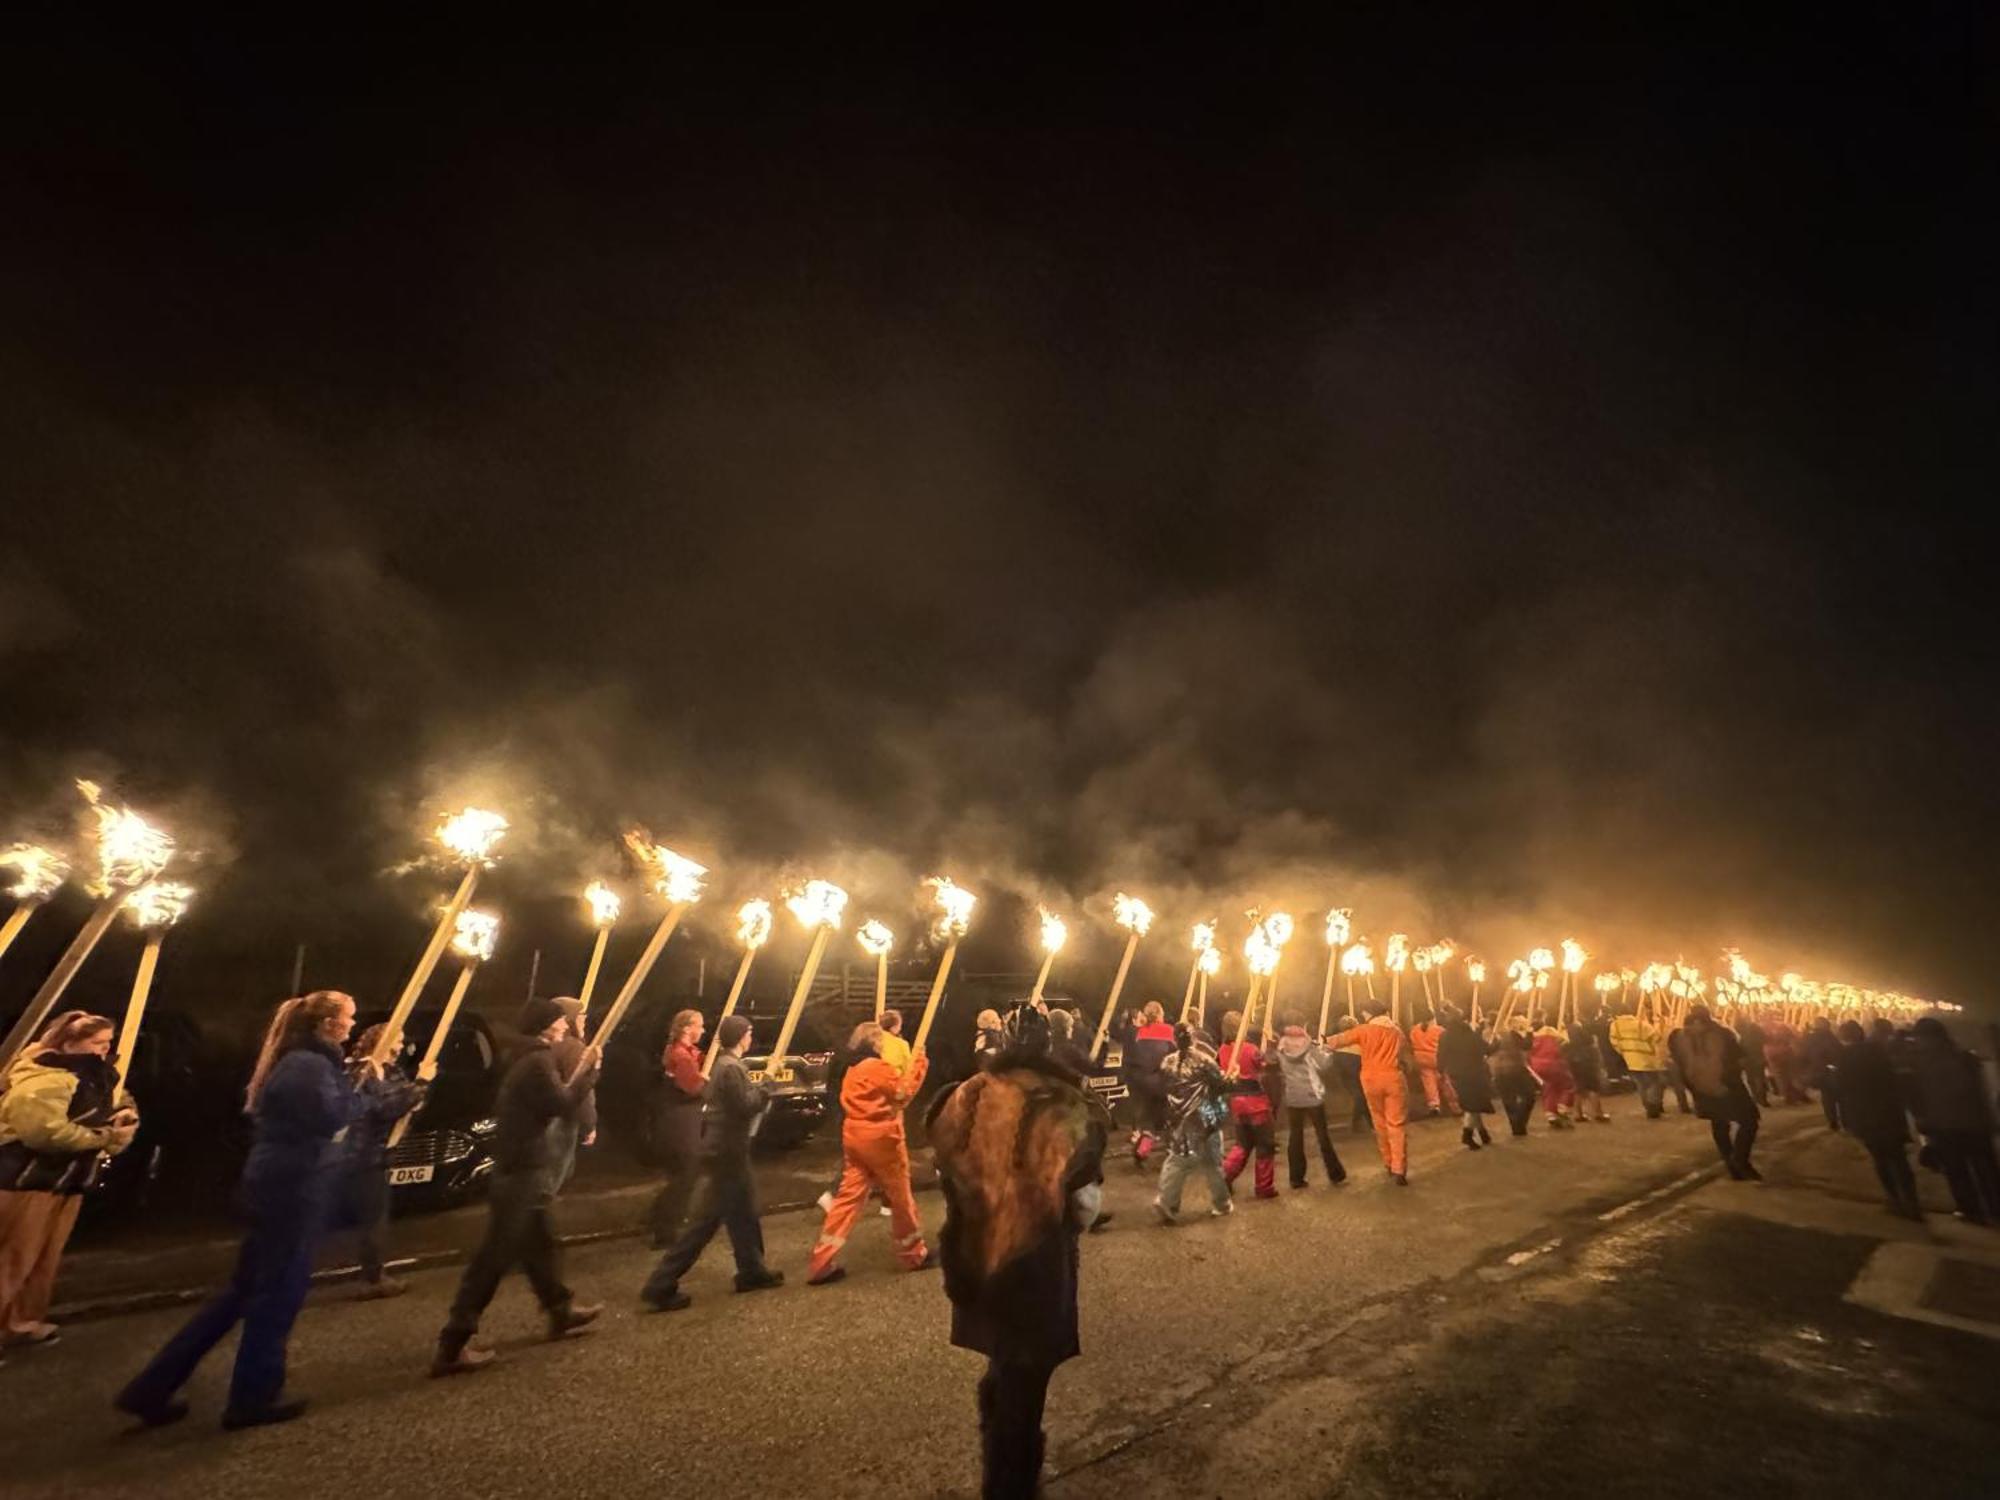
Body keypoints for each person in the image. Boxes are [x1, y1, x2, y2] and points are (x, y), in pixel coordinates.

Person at [116, 991, 361, 1429]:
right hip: (293, 1188)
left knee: (242, 1293)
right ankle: (251, 1396)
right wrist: (372, 1090)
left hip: (279, 1183)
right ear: (327, 1024)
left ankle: (152, 1386)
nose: (352, 1026)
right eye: (348, 1018)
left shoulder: (307, 1062)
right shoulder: (307, 1064)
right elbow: (332, 1117)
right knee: (277, 1294)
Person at [929, 1005, 1105, 1500]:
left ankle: (998, 1425)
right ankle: (1009, 1484)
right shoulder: (1065, 1106)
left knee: (1006, 1357)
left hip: (972, 1248)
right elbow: (1084, 1192)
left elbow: (946, 1163)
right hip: (1034, 1262)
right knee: (1025, 1377)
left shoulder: (967, 1093)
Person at [431, 997, 602, 1375]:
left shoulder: (526, 1057)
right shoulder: (538, 1061)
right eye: (560, 1022)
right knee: (494, 1256)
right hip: (520, 1169)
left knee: (540, 1243)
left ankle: (560, 1310)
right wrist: (589, 1072)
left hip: (522, 1165)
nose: (564, 1027)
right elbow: (559, 1103)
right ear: (548, 1026)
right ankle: (454, 1340)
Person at [0, 1012, 138, 1347]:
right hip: (27, 1179)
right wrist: (102, 1136)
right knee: (14, 1258)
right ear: (69, 1043)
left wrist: (122, 1121)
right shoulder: (45, 1078)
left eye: (108, 1042)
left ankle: (21, 1321)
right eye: (97, 1042)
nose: (104, 1049)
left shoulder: (96, 1077)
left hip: (65, 1179)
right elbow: (44, 1132)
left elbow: (114, 1105)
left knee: (41, 1258)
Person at [641, 1014, 784, 1309]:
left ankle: (752, 1270)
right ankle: (660, 1283)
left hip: (727, 1150)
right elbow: (745, 1106)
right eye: (748, 1032)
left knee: (743, 1213)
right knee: (704, 1224)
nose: (750, 1036)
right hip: (727, 1152)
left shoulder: (725, 1065)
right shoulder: (730, 1068)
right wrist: (767, 1086)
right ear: (741, 1036)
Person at [807, 1021, 934, 1284]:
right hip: (882, 1137)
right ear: (875, 1043)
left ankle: (821, 1261)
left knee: (847, 1199)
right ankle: (914, 1253)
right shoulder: (878, 1068)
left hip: (854, 1135)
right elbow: (903, 1094)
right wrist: (920, 1064)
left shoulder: (852, 1069)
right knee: (901, 1198)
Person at [329, 1022, 424, 1297]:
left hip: (377, 1154)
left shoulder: (389, 1072)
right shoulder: (359, 1072)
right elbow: (386, 1106)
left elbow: (405, 1099)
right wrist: (420, 1085)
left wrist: (417, 1092)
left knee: (374, 1216)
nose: (400, 1047)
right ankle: (372, 1279)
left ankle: (373, 1273)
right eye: (396, 1041)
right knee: (370, 1218)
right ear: (378, 1043)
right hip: (358, 1154)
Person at [1906, 1016, 2000, 1225]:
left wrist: (1926, 1122)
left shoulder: (1923, 1063)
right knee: (1985, 1170)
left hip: (1947, 1125)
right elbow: (1981, 1091)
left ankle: (1971, 1210)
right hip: (1974, 1123)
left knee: (1958, 1171)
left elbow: (1926, 1096)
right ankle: (1994, 1209)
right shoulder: (1965, 1058)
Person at [1832, 1021, 1921, 1220]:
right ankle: (1912, 1202)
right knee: (1899, 1159)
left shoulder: (1845, 1057)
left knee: (1881, 1159)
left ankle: (1894, 1199)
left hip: (1864, 1114)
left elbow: (1840, 1085)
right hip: (1888, 1111)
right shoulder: (1879, 1052)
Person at [1152, 1023, 1232, 1222]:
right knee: (1211, 1161)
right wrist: (1233, 1077)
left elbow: (1164, 1087)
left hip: (1179, 1117)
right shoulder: (1203, 1061)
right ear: (1193, 1038)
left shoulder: (1166, 1062)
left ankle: (1168, 1200)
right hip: (1204, 1116)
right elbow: (1221, 1085)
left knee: (1177, 1159)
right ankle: (1220, 1204)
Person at [1328, 1000, 1412, 1184]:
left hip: (1370, 1079)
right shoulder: (1397, 1032)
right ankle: (1399, 1168)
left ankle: (1388, 1162)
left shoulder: (1364, 1030)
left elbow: (1339, 1040)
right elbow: (1403, 1048)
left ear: (1369, 1013)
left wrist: (1324, 1041)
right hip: (1393, 1078)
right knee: (1396, 1124)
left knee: (1379, 1122)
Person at [1675, 1005, 1760, 1180]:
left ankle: (1731, 1163)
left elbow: (1679, 1064)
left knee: (1719, 1124)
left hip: (1700, 1088)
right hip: (1727, 1086)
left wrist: (1691, 1085)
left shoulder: (1679, 1037)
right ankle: (1739, 1159)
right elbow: (1740, 1058)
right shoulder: (1723, 1034)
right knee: (1750, 1120)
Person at [650, 1008, 707, 1244]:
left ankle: (664, 1217)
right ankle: (664, 1224)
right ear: (686, 1028)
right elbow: (693, 1087)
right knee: (686, 1172)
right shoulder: (680, 1056)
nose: (702, 1030)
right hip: (680, 1122)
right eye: (699, 1025)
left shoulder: (687, 1053)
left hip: (683, 1120)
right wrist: (705, 1081)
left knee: (683, 1174)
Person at [1271, 1018, 1345, 1187]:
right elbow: (1323, 1064)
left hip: (1293, 1095)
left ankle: (1296, 1178)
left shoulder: (1281, 1044)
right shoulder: (1308, 1044)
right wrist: (1327, 1050)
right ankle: (1335, 1173)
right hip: (1312, 1094)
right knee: (1322, 1135)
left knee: (1295, 1136)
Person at [1216, 1011, 1278, 1198]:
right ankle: (1264, 1186)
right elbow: (1268, 1063)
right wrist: (1271, 1044)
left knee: (1242, 1144)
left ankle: (1224, 1174)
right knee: (1265, 1145)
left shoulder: (1223, 1050)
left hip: (1237, 1101)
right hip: (1256, 1103)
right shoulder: (1249, 1049)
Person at [546, 997, 597, 1191]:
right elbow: (581, 1087)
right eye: (581, 1015)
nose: (584, 1019)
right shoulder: (572, 1047)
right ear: (569, 1018)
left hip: (544, 1118)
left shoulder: (546, 1043)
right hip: (562, 1120)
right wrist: (589, 1124)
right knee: (551, 1179)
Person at [1121, 1001, 1176, 1164]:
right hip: (1162, 1081)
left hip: (1143, 1082)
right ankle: (1172, 1150)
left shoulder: (1140, 1033)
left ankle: (1142, 1149)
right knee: (1168, 1116)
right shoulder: (1168, 1031)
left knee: (1149, 1118)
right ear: (1160, 1014)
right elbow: (1176, 1055)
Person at [1435, 1005, 1494, 1149]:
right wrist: (1495, 1041)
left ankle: (1482, 1133)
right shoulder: (1470, 1035)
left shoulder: (1445, 1036)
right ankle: (1467, 1135)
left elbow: (1441, 1055)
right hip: (1474, 1074)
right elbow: (1487, 1049)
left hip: (1456, 1074)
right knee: (1472, 1107)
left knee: (1473, 1105)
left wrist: (1441, 1071)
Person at [1609, 1003, 1669, 1120]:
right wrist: (1660, 1026)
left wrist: (1626, 1052)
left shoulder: (1615, 1026)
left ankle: (1648, 1106)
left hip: (1631, 1060)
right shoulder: (1641, 1025)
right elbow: (1657, 1038)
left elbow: (1614, 1042)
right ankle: (1652, 1105)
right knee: (1656, 1083)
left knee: (1641, 1084)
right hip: (1647, 1059)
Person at [1490, 1030, 1542, 1137]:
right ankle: (1519, 1123)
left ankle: (1516, 1126)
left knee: (1509, 1099)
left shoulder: (1496, 1034)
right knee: (1528, 1096)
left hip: (1500, 1070)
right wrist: (1529, 1034)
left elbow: (1489, 1050)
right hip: (1515, 1069)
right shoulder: (1512, 1034)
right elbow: (1526, 1045)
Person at [1407, 1008, 1457, 1118]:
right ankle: (1454, 1105)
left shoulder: (1414, 1030)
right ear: (1432, 1018)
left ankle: (1434, 1105)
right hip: (1437, 1058)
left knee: (1429, 1082)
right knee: (1445, 1082)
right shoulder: (1439, 1030)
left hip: (1421, 1059)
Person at [1327, 1012, 1371, 1132]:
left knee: (1359, 1095)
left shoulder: (1337, 1038)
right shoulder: (1358, 1036)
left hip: (1344, 1067)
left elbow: (1329, 1047)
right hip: (1356, 1065)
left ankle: (1360, 1122)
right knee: (1361, 1095)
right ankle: (1365, 1122)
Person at [1528, 1020, 1575, 1129]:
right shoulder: (1553, 1035)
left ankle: (1551, 1114)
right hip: (1554, 1063)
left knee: (1549, 1087)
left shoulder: (1533, 1038)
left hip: (1537, 1066)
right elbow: (1565, 1044)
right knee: (1568, 1085)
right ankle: (1563, 1106)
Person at [1802, 1018, 1844, 1131]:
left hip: (1819, 1071)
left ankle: (1832, 1120)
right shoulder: (1830, 1037)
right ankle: (1843, 1120)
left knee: (1827, 1097)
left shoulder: (1809, 1038)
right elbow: (1838, 1053)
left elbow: (1803, 1055)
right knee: (1840, 1096)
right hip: (1832, 1070)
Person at [1566, 1020, 1610, 1123]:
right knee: (1593, 1089)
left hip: (1574, 1066)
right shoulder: (1588, 1041)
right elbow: (1596, 1055)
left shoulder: (1567, 1043)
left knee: (1579, 1090)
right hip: (1588, 1066)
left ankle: (1578, 1114)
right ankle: (1598, 1113)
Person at [1736, 1014, 1770, 1106]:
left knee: (1752, 1079)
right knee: (1758, 1078)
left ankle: (1757, 1096)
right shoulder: (1754, 1029)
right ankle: (1761, 1098)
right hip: (1756, 1056)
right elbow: (1765, 1038)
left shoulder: (1742, 1033)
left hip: (1748, 1057)